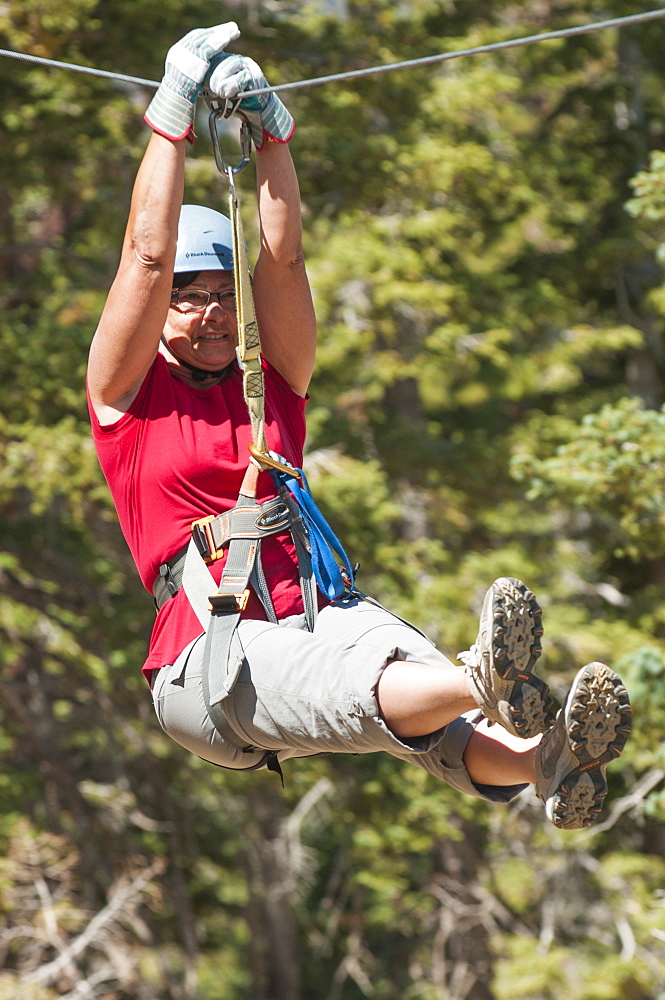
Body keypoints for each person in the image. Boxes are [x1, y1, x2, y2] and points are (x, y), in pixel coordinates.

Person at [87, 23, 632, 830]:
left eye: (219, 295)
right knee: (372, 681)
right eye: (185, 297)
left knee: (417, 691)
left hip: (311, 603)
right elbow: (144, 257)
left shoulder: (269, 385)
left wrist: (274, 137)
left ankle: (540, 764)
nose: (205, 313)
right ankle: (485, 676)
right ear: (161, 310)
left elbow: (284, 262)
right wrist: (169, 119)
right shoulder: (126, 402)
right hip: (211, 651)